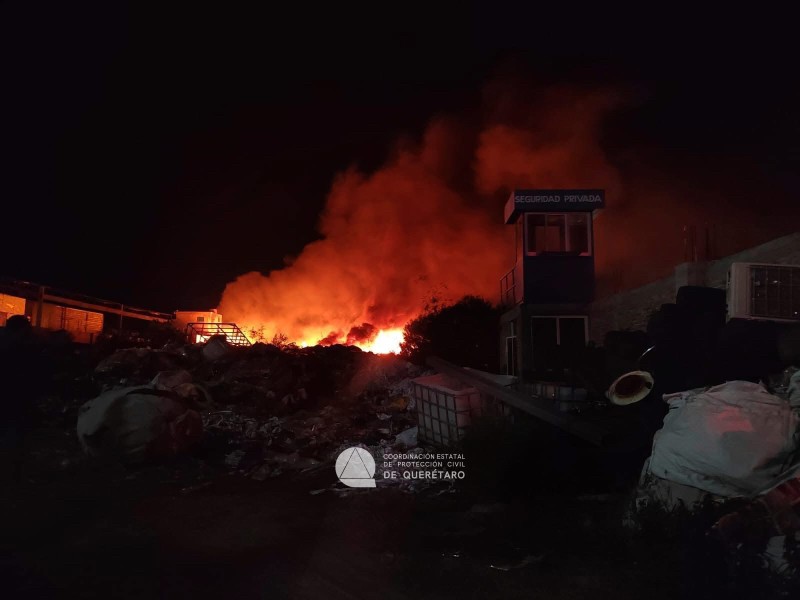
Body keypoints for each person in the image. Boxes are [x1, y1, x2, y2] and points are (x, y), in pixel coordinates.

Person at [0, 315, 41, 481]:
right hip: (14, 396)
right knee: (15, 434)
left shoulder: (7, 341)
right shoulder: (19, 346)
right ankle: (13, 473)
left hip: (9, 395)